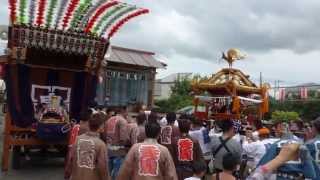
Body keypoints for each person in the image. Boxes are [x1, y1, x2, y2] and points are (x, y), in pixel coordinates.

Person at [65, 113, 110, 180]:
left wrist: (67, 175)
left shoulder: (77, 139)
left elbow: (70, 160)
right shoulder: (101, 145)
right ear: (101, 126)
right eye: (104, 125)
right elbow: (103, 167)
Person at [105, 107, 129, 180]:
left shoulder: (108, 120)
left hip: (108, 149)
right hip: (119, 151)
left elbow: (104, 134)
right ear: (123, 111)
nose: (127, 114)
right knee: (117, 173)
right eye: (127, 112)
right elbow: (123, 138)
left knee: (108, 172)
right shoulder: (122, 121)